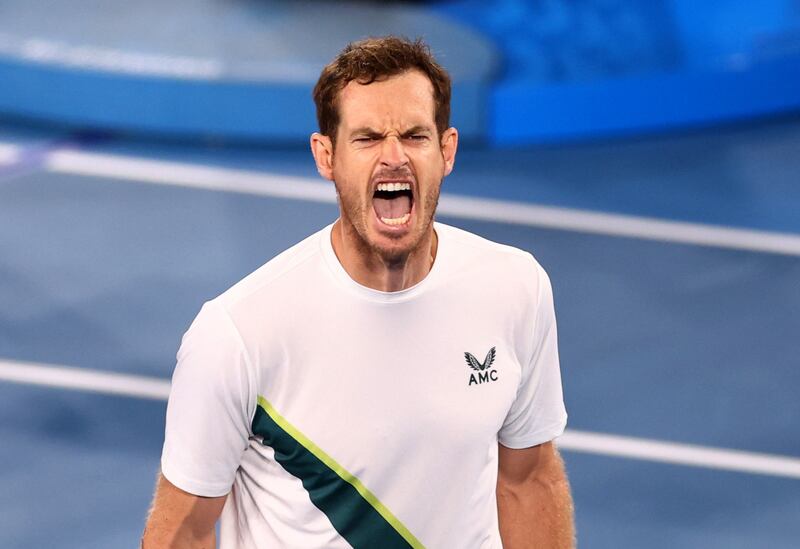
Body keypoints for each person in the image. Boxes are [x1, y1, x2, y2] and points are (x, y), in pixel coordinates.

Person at [142, 36, 574, 549]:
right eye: (367, 138)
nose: (394, 158)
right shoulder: (237, 334)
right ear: (326, 157)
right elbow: (180, 534)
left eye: (414, 135)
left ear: (447, 150)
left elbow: (528, 480)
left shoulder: (514, 287)